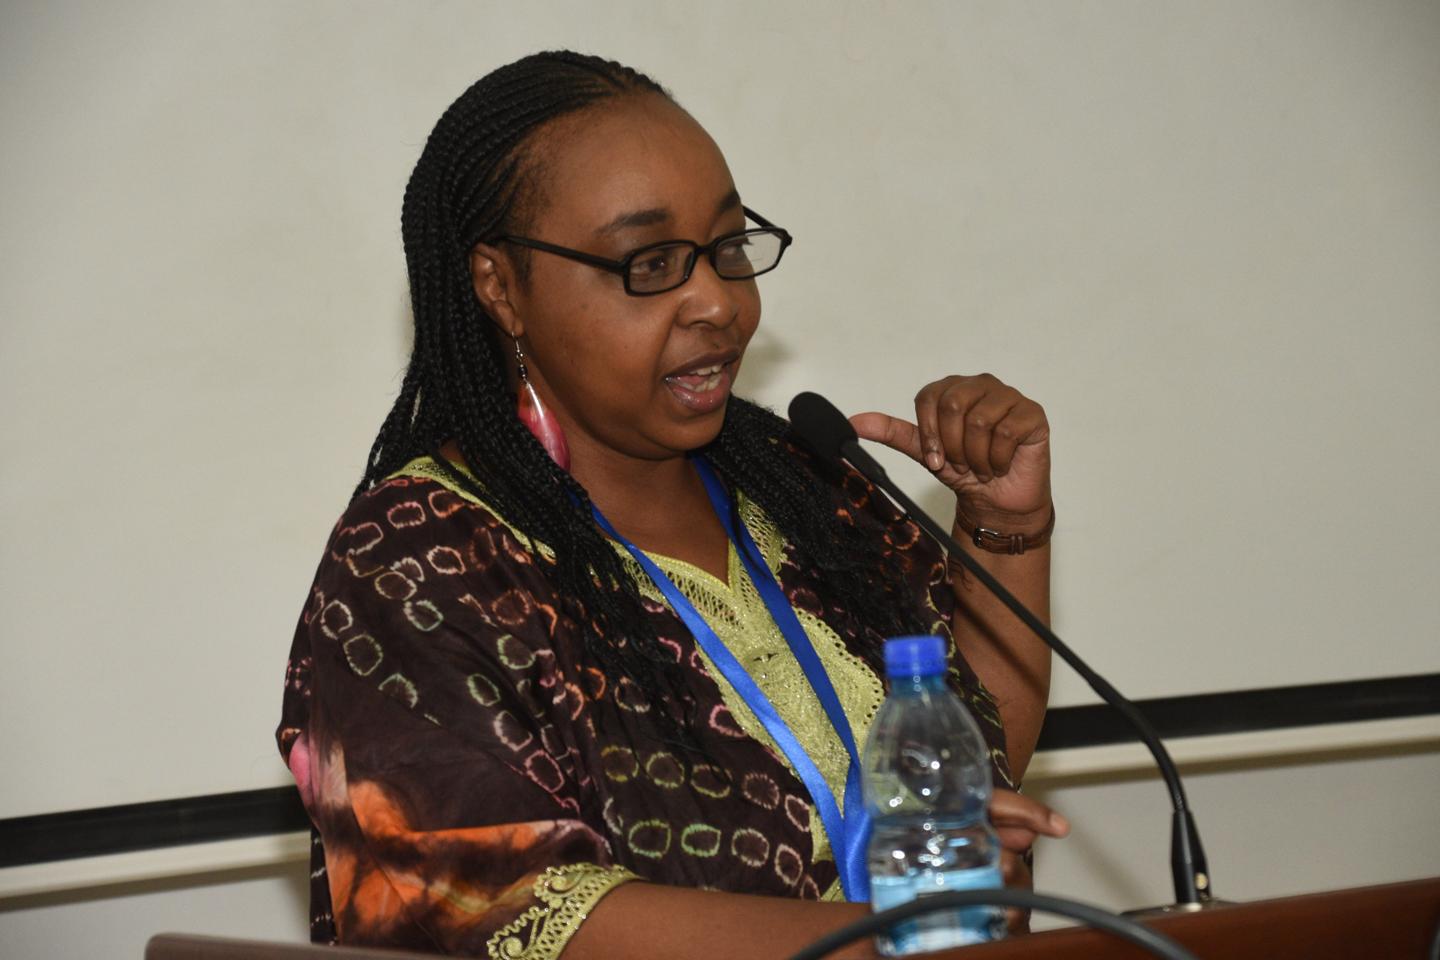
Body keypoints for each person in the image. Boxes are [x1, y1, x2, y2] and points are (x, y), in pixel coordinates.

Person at [277, 50, 1066, 960]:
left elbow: (972, 750)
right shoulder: (422, 555)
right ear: (501, 287)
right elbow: (508, 912)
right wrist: (893, 935)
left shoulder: (801, 487)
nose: (718, 303)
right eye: (649, 263)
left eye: (727, 249)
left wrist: (1007, 526)